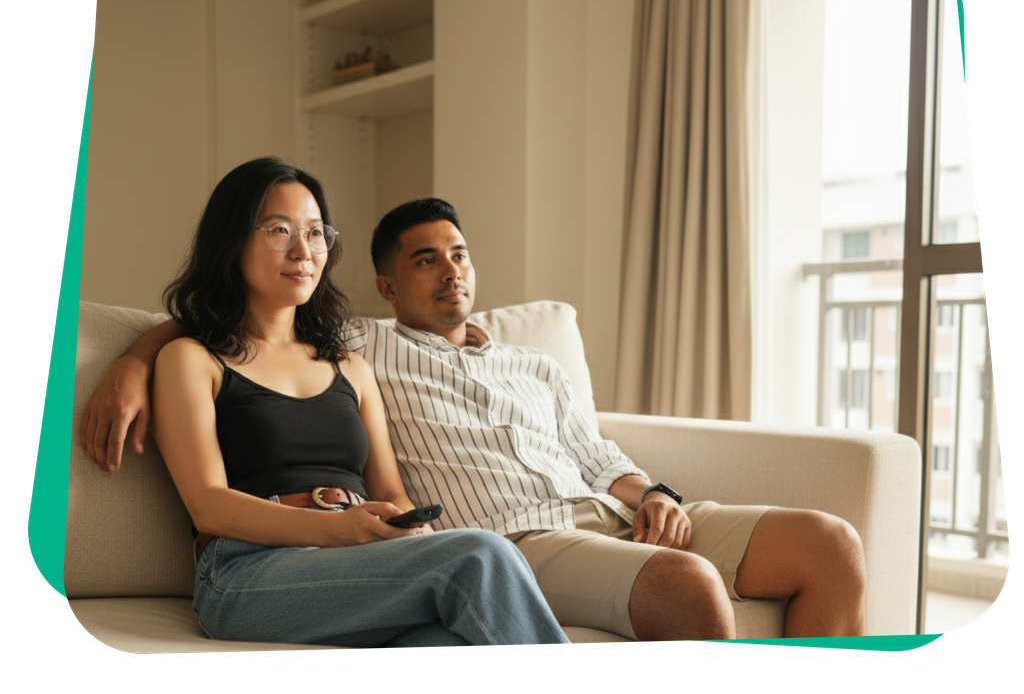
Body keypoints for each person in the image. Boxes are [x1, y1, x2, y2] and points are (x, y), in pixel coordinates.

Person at [82, 193, 867, 642]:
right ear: (385, 286)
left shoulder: (524, 360)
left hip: (595, 511)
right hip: (510, 536)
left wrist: (647, 488)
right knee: (512, 561)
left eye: (457, 252)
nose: (450, 268)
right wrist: (134, 355)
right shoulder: (365, 345)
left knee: (831, 543)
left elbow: (591, 448)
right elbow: (233, 328)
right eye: (425, 258)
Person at [125, 159, 569, 648]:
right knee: (483, 554)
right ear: (232, 242)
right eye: (279, 230)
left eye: (316, 233)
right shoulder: (191, 359)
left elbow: (391, 491)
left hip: (357, 557)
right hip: (248, 571)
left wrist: (404, 532)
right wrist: (337, 529)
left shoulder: (351, 365)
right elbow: (208, 505)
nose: (303, 251)